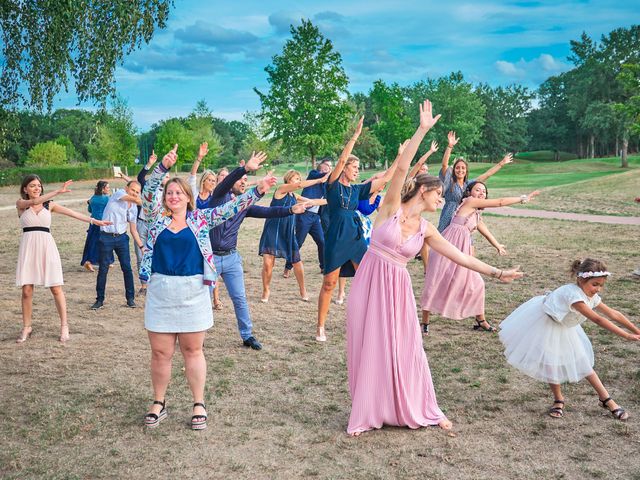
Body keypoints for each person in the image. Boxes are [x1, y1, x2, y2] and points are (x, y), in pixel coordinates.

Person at [346, 100, 523, 436]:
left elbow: (463, 258)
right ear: (424, 191)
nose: (443, 200)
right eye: (439, 194)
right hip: (368, 283)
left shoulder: (428, 229)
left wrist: (498, 273)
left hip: (397, 289)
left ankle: (419, 405)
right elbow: (401, 169)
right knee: (369, 345)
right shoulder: (391, 209)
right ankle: (369, 410)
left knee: (405, 347)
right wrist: (421, 130)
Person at [141, 145, 276, 430]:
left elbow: (232, 207)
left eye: (179, 193)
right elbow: (148, 190)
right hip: (161, 293)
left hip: (193, 293)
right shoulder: (156, 219)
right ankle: (158, 401)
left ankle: (198, 403)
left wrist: (258, 190)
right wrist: (162, 167)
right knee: (160, 354)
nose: (173, 196)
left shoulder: (201, 219)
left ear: (189, 198)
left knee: (193, 351)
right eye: (170, 193)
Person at [499, 258, 640, 421]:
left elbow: (613, 314)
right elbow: (598, 319)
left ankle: (606, 399)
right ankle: (558, 399)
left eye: (601, 285)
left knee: (583, 363)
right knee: (551, 364)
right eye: (595, 284)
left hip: (565, 327)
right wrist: (626, 336)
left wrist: (636, 330)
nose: (598, 289)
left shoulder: (591, 296)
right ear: (580, 279)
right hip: (546, 325)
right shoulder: (574, 296)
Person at [316, 117, 406, 342]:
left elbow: (386, 178)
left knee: (366, 280)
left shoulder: (357, 190)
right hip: (336, 236)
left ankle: (369, 323)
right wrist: (355, 136)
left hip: (355, 237)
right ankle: (320, 327)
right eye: (354, 167)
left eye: (357, 168)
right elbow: (343, 158)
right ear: (344, 168)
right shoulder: (333, 185)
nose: (357, 170)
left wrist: (399, 156)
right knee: (329, 283)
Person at [207, 152, 308, 350]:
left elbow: (267, 212)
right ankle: (193, 334)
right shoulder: (218, 198)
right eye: (240, 180)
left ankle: (247, 335)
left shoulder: (244, 206)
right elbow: (226, 182)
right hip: (209, 259)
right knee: (201, 299)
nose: (243, 183)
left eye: (246, 181)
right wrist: (243, 169)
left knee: (239, 298)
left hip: (231, 259)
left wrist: (290, 210)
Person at [420, 181, 540, 335]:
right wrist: (523, 198)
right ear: (469, 192)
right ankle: (425, 322)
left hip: (463, 251)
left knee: (477, 284)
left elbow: (484, 230)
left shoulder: (476, 213)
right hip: (448, 247)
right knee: (435, 282)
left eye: (484, 191)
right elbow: (500, 202)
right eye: (478, 190)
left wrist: (497, 245)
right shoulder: (469, 202)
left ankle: (480, 320)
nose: (482, 193)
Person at [16, 176, 111, 343]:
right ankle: (27, 327)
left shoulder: (49, 205)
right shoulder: (21, 204)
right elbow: (33, 202)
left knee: (56, 288)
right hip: (29, 248)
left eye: (39, 185)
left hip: (47, 247)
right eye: (32, 186)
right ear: (25, 189)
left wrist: (94, 221)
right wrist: (58, 191)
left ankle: (64, 326)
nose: (37, 188)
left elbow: (72, 213)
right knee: (26, 290)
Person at [258, 169, 328, 303]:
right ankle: (266, 289)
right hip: (273, 229)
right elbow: (299, 185)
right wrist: (319, 180)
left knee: (297, 262)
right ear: (289, 180)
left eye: (299, 178)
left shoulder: (294, 196)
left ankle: (303, 290)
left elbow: (313, 202)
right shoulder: (281, 189)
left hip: (287, 231)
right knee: (268, 263)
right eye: (296, 178)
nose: (298, 181)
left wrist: (332, 200)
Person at [438, 131, 513, 232]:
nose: (460, 170)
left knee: (466, 243)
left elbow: (487, 174)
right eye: (457, 168)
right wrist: (450, 146)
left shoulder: (469, 184)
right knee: (444, 242)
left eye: (463, 168)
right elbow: (444, 165)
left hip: (463, 218)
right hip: (448, 216)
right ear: (453, 170)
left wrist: (501, 163)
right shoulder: (450, 182)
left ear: (466, 170)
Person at [91, 180, 144, 310]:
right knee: (103, 269)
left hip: (121, 238)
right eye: (133, 190)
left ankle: (130, 299)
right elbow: (134, 199)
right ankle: (99, 300)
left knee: (127, 268)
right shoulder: (118, 194)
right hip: (106, 237)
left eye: (137, 192)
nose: (135, 193)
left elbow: (133, 230)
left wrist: (142, 247)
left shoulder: (133, 209)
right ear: (126, 188)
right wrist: (140, 201)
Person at [283, 158, 332, 278]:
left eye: (331, 167)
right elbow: (324, 176)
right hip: (304, 215)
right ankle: (288, 267)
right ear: (322, 167)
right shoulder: (313, 174)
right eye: (327, 166)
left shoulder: (326, 183)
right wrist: (333, 170)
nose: (329, 169)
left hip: (315, 217)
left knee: (322, 241)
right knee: (298, 242)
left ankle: (323, 267)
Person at [188, 142, 223, 308]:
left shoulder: (215, 197)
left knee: (212, 266)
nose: (212, 182)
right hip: (194, 234)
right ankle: (200, 298)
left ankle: (216, 299)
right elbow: (192, 175)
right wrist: (199, 158)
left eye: (214, 180)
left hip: (211, 235)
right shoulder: (194, 195)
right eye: (209, 180)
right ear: (203, 181)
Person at [80, 180, 114, 272]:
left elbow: (90, 210)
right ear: (103, 189)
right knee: (103, 242)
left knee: (92, 242)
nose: (109, 189)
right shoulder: (106, 199)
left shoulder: (92, 198)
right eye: (107, 187)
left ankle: (104, 261)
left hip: (93, 223)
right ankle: (91, 261)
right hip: (101, 224)